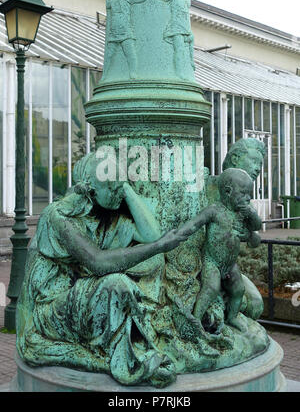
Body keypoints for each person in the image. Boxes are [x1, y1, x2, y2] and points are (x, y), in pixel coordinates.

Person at [16, 152, 191, 388]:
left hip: (78, 294)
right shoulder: (58, 215)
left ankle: (135, 341)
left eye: (122, 184)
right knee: (117, 284)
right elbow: (97, 262)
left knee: (153, 264)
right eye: (113, 186)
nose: (119, 191)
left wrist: (126, 189)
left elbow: (152, 236)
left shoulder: (107, 217)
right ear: (91, 189)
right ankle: (128, 361)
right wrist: (158, 246)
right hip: (51, 308)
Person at [176, 168, 262, 333]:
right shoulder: (215, 210)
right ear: (228, 192)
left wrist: (252, 214)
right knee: (211, 287)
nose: (248, 198)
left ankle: (233, 317)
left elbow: (257, 227)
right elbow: (195, 223)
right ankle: (196, 317)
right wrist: (179, 234)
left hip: (230, 265)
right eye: (244, 193)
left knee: (239, 290)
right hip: (212, 261)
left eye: (249, 194)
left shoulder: (241, 214)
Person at [104, 0, 148, 79]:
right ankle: (105, 74)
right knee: (109, 55)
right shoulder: (113, 1)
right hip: (114, 32)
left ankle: (133, 72)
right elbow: (107, 3)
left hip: (125, 31)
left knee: (130, 53)